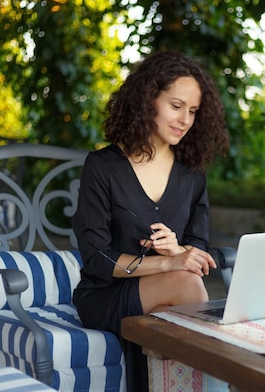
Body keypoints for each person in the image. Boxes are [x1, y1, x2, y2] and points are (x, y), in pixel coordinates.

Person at [71, 51, 229, 391]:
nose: (185, 119)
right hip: (104, 295)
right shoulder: (103, 167)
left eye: (193, 111)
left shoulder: (192, 172)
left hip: (163, 293)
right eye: (176, 106)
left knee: (163, 325)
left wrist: (179, 249)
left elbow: (198, 251)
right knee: (185, 283)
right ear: (147, 101)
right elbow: (98, 259)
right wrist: (168, 263)